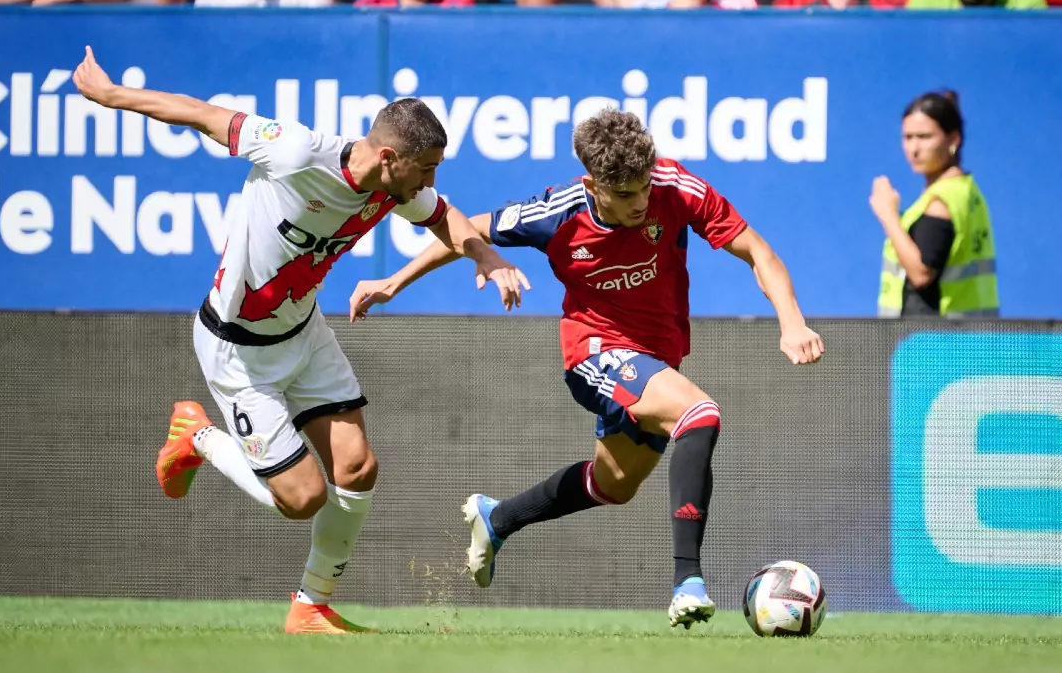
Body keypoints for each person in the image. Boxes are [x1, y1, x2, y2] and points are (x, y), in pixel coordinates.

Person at [71, 46, 528, 634]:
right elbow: (197, 112)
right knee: (301, 498)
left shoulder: (397, 186)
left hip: (304, 334)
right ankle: (198, 437)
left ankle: (310, 608)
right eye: (426, 168)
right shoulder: (294, 150)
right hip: (238, 351)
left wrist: (486, 258)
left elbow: (444, 216)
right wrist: (112, 96)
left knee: (358, 468)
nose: (430, 181)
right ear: (389, 157)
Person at [348, 108, 824, 629]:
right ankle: (688, 581)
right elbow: (462, 229)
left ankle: (498, 517)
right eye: (624, 195)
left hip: (656, 358)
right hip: (595, 353)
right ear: (593, 184)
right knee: (700, 413)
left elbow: (757, 251)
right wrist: (392, 282)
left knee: (614, 484)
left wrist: (792, 321)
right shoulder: (555, 212)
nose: (640, 203)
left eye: (643, 188)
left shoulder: (677, 187)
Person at [871, 90, 999, 319]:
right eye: (908, 137)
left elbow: (921, 273)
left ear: (953, 140)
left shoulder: (942, 202)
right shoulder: (966, 189)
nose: (914, 149)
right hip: (969, 339)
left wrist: (888, 216)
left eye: (924, 137)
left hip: (937, 344)